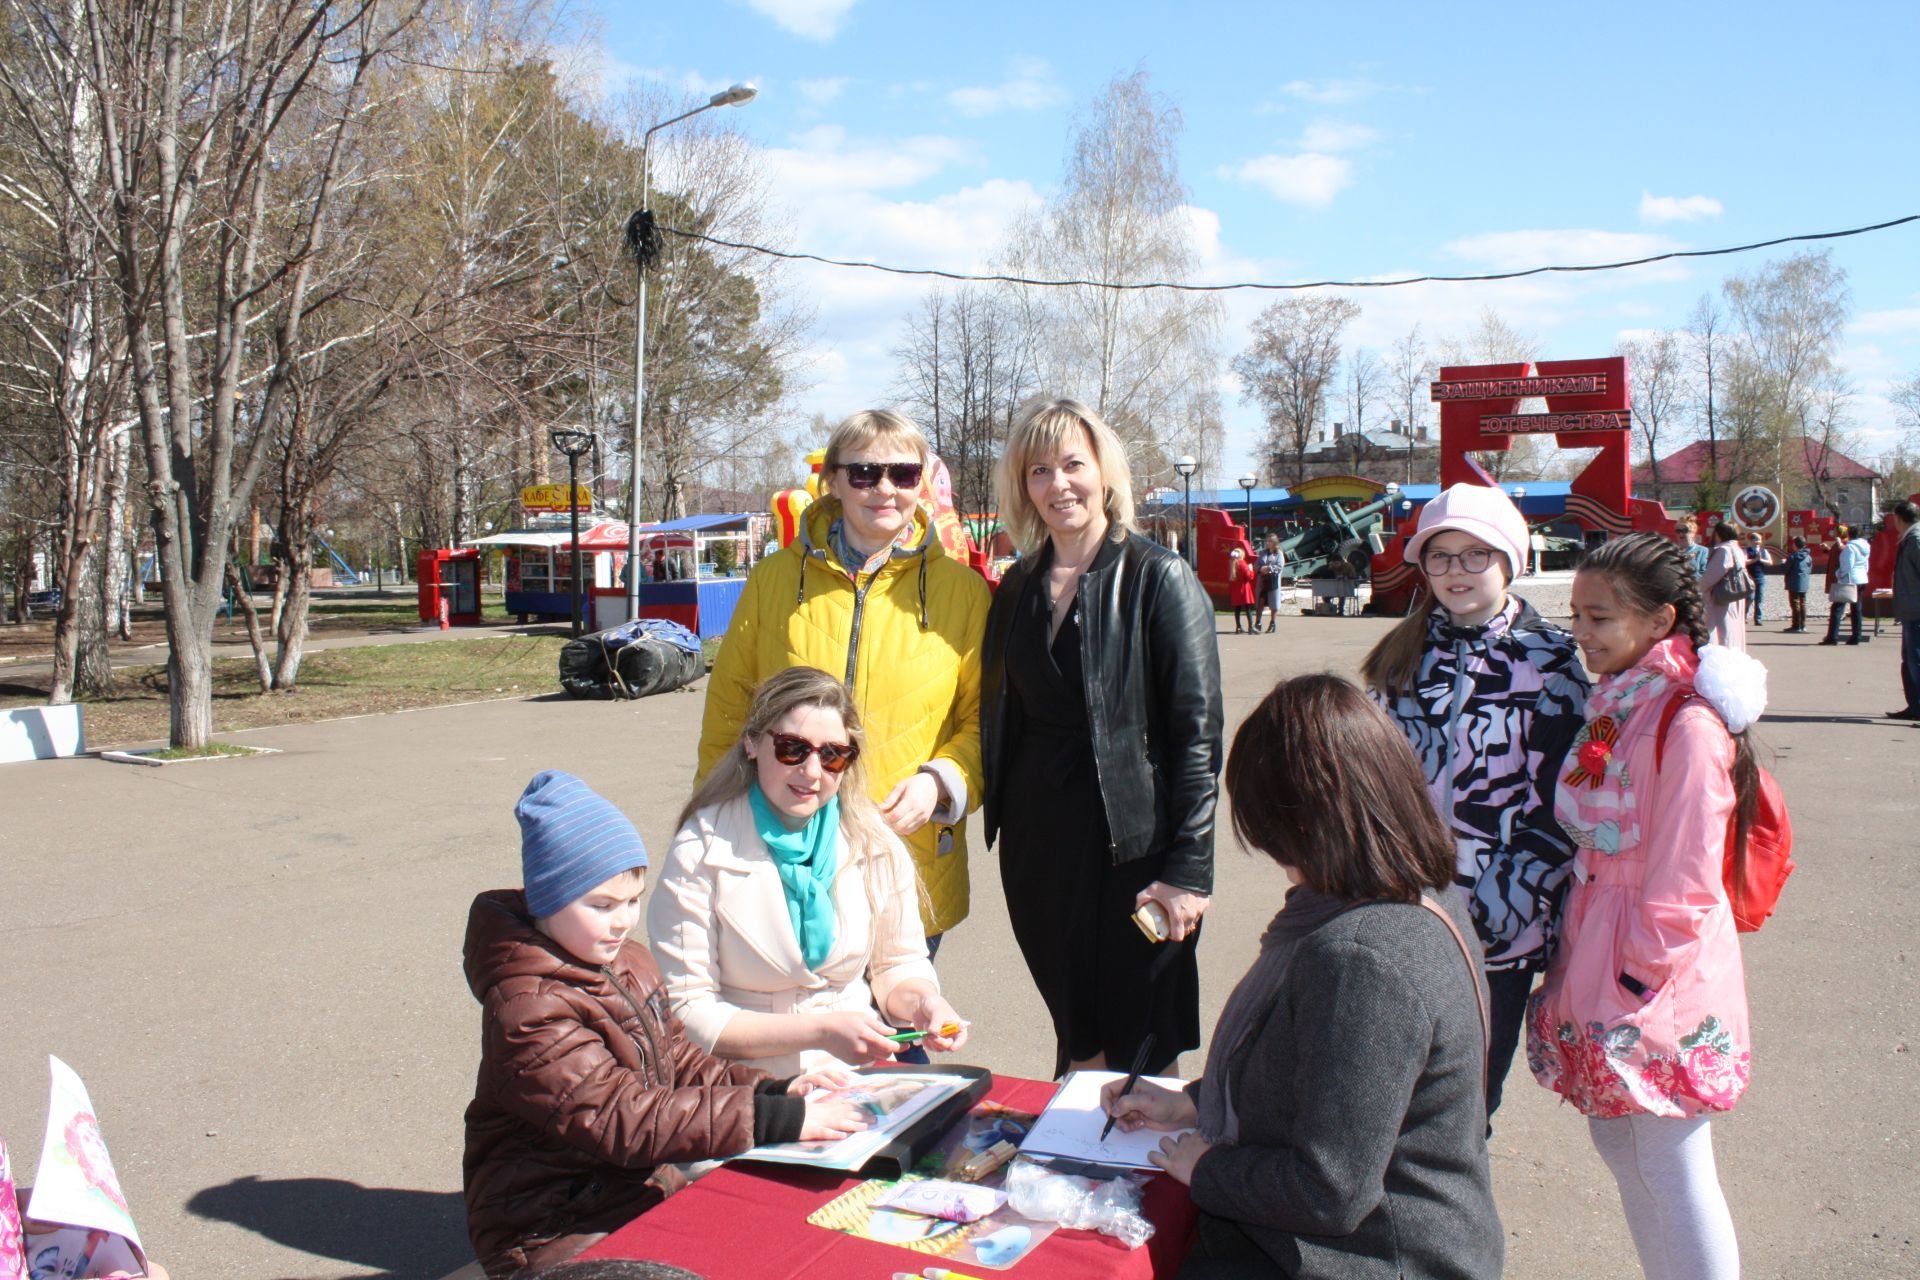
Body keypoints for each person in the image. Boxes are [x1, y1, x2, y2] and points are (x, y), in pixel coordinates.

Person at [1104, 674, 1502, 1280]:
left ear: (1303, 823)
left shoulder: (1362, 958)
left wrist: (1205, 1166)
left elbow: (1330, 1190)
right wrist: (1195, 1102)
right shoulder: (1417, 899)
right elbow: (1317, 1079)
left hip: (1378, 1259)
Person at [462, 771, 868, 1277]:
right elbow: (621, 1119)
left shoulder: (625, 961)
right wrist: (773, 1122)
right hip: (550, 1226)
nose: (623, 921)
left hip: (631, 1188)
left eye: (632, 900)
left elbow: (681, 1061)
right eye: (601, 906)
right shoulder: (527, 1010)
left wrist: (777, 1092)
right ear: (546, 899)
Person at [1528, 533, 1764, 1280]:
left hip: (1650, 969)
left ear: (1660, 621)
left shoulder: (1686, 722)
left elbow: (1689, 877)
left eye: (1599, 617)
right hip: (1603, 945)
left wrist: (1637, 975)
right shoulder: (1618, 701)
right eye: (1576, 615)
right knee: (1628, 1153)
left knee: (1670, 1164)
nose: (1581, 634)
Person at [982, 397, 1223, 1078]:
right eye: (1038, 471)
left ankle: (1142, 1172)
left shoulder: (1158, 578)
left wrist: (1189, 871)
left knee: (1142, 1036)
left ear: (1104, 473)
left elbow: (1197, 737)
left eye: (1071, 465)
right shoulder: (1017, 589)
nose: (1057, 484)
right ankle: (1083, 1164)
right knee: (1075, 1029)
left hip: (1136, 850)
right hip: (1040, 850)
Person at [698, 410, 990, 958]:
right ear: (832, 480)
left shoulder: (964, 594)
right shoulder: (773, 581)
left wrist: (940, 781)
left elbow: (985, 721)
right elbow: (729, 713)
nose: (885, 489)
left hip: (905, 857)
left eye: (903, 474)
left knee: (897, 1027)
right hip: (779, 852)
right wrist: (710, 827)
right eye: (864, 473)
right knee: (785, 1028)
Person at [1360, 481, 1589, 1120]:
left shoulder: (1550, 663)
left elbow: (1559, 811)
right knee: (1383, 1093)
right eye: (1440, 555)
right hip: (1402, 913)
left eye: (1474, 554)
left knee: (1463, 1106)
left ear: (1508, 560)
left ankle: (1452, 1216)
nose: (1455, 571)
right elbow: (1370, 782)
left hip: (1497, 931)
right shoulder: (1400, 657)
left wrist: (1492, 914)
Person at [653, 666, 968, 1076]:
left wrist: (925, 1003)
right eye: (792, 748)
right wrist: (816, 1031)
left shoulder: (875, 843)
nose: (812, 772)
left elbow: (897, 965)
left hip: (858, 1077)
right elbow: (688, 1009)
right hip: (746, 1089)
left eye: (833, 755)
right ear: (752, 743)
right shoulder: (700, 848)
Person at [1886, 500, 1920, 720]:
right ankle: (1915, 706)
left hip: (1917, 610)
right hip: (1911, 610)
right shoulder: (1910, 538)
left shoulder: (1915, 540)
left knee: (1916, 660)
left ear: (1898, 518)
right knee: (1909, 660)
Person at [1700, 522, 1748, 652]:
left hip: (1722, 597)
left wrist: (1698, 589)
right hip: (1735, 596)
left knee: (1722, 634)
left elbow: (1711, 577)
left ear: (1719, 534)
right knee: (1734, 630)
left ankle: (1722, 659)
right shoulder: (1737, 549)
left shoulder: (1723, 550)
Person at [1821, 522, 1872, 646]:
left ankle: (1832, 637)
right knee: (1856, 609)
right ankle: (1856, 636)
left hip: (1849, 579)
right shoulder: (1866, 546)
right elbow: (1865, 564)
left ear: (1849, 535)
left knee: (1837, 608)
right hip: (1861, 579)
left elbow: (1847, 565)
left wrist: (1838, 574)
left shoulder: (1850, 547)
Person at [1254, 532, 1285, 633]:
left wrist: (1269, 568)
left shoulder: (1279, 554)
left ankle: (1272, 623)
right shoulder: (1263, 553)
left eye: (1270, 541)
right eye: (1267, 541)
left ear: (1275, 542)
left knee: (1273, 604)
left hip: (1272, 582)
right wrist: (1260, 568)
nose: (1267, 543)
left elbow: (1280, 567)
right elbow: (1256, 565)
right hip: (1262, 582)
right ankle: (1257, 623)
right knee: (1260, 602)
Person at [1782, 535, 1813, 633]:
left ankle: (1796, 625)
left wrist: (1783, 563)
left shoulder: (1793, 556)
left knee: (1795, 603)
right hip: (1804, 581)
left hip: (1793, 581)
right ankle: (1803, 624)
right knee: (1803, 603)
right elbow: (1810, 569)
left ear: (1795, 545)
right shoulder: (1808, 556)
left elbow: (1786, 569)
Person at [1743, 532, 1775, 626]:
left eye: (1759, 540)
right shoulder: (1747, 550)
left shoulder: (1763, 551)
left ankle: (1758, 618)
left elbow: (1770, 562)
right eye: (1756, 540)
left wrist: (1761, 560)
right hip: (1749, 577)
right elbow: (1744, 562)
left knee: (1759, 598)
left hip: (1760, 577)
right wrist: (1754, 560)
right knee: (1750, 598)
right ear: (1751, 541)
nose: (1758, 542)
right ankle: (1744, 616)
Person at [1227, 547, 1257, 633]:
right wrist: (1251, 570)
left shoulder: (1232, 563)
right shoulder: (1242, 563)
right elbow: (1249, 576)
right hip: (1244, 588)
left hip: (1236, 589)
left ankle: (1238, 627)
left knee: (1237, 608)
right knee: (1248, 608)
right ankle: (1251, 627)